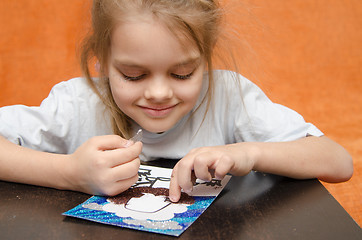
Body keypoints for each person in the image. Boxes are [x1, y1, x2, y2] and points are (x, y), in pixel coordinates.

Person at [0, 0, 353, 203]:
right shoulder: (78, 102)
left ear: (206, 59)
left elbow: (338, 162)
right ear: (101, 61)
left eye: (182, 73)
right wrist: (69, 174)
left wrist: (248, 152)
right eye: (133, 75)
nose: (158, 93)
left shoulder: (228, 98)